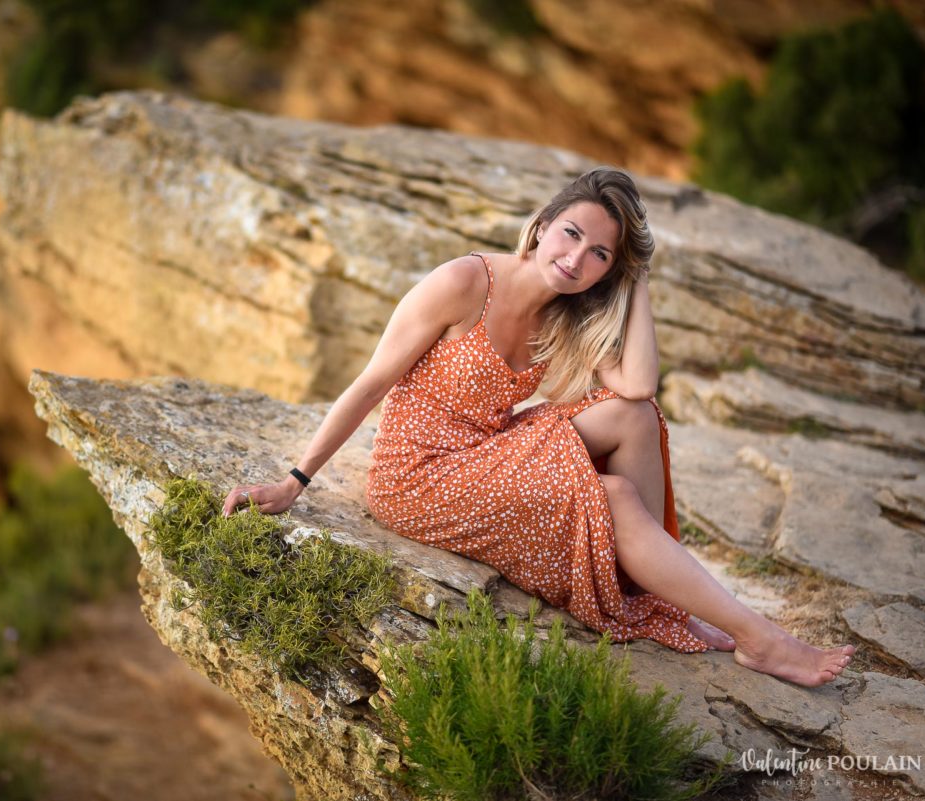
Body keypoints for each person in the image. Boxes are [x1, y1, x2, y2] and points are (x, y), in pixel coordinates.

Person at [222, 167, 855, 687]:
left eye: (599, 254)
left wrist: (636, 281)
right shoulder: (463, 282)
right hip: (418, 480)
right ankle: (758, 637)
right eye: (571, 234)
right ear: (542, 225)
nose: (577, 258)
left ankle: (659, 591)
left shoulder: (566, 315)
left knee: (637, 417)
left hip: (489, 456)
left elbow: (637, 387)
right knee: (608, 496)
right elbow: (370, 384)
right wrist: (294, 482)